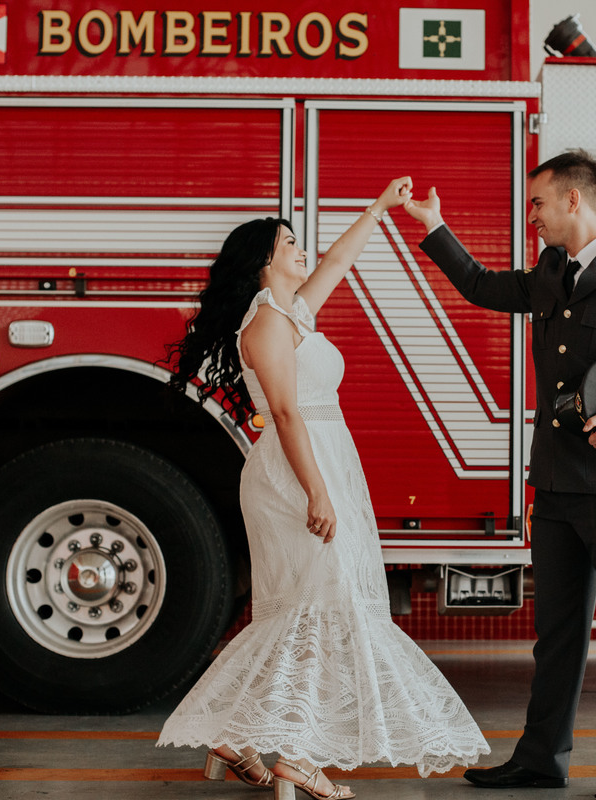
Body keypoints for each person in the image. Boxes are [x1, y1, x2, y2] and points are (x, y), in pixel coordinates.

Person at [157, 176, 489, 799]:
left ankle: (236, 735)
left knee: (308, 608)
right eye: (288, 242)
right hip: (296, 472)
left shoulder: (291, 313)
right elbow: (285, 414)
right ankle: (296, 757)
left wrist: (379, 208)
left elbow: (337, 262)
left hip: (321, 461)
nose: (300, 247)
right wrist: (316, 492)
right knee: (322, 607)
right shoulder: (265, 324)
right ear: (263, 262)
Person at [403, 149, 596, 800]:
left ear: (573, 199)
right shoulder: (549, 272)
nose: (531, 215)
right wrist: (433, 227)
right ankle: (542, 758)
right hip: (559, 483)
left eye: (538, 203)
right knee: (557, 634)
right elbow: (481, 286)